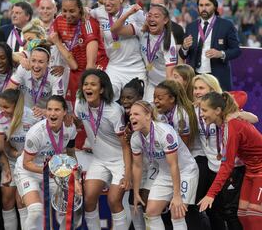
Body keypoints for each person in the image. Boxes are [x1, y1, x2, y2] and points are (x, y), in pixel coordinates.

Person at [74, 69, 131, 229]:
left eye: (93, 84)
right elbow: (80, 123)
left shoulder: (113, 110)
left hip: (120, 160)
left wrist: (127, 173)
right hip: (99, 160)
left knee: (113, 200)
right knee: (89, 198)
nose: (88, 88)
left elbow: (126, 145)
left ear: (102, 89)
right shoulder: (80, 104)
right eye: (85, 84)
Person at [130, 100, 199, 230]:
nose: (132, 117)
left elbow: (174, 165)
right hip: (165, 173)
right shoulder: (135, 138)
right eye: (131, 115)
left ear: (148, 115)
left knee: (176, 212)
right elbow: (137, 166)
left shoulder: (164, 133)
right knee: (151, 212)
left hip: (185, 171)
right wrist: (136, 192)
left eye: (136, 114)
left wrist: (177, 195)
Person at [198, 92, 262, 230]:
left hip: (260, 170)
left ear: (218, 110)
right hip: (251, 170)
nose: (201, 114)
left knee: (254, 216)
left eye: (204, 110)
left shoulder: (232, 126)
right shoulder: (225, 124)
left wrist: (210, 194)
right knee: (242, 215)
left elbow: (227, 166)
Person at [14, 95, 79, 230]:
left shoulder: (70, 129)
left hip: (53, 171)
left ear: (64, 112)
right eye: (49, 109)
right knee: (36, 210)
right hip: (29, 171)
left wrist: (75, 179)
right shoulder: (36, 133)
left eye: (57, 110)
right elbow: (27, 163)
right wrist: (48, 170)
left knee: (71, 208)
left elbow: (71, 154)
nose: (52, 113)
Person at [50, 0, 109, 107]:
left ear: (80, 9)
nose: (67, 15)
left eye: (72, 11)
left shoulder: (88, 24)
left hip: (95, 67)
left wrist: (85, 86)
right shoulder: (59, 21)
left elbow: (90, 65)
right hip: (75, 69)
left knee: (90, 104)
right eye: (64, 11)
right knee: (74, 109)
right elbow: (53, 41)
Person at [91, 0, 146, 100]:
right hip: (114, 67)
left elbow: (117, 29)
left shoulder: (135, 13)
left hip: (135, 68)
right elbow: (82, 13)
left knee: (139, 104)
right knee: (108, 100)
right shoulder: (98, 13)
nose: (107, 2)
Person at [0, 89, 38, 230]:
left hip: (29, 163)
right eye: (0, 106)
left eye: (6, 107)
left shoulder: (32, 116)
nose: (2, 110)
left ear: (17, 106)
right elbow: (1, 146)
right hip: (11, 161)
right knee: (7, 200)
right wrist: (13, 153)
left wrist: (25, 155)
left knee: (22, 201)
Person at [111, 3, 176, 101]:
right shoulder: (142, 30)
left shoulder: (168, 40)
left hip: (164, 85)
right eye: (149, 15)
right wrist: (129, 13)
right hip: (150, 83)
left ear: (165, 20)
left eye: (156, 16)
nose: (152, 19)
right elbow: (115, 29)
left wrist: (166, 92)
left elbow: (170, 73)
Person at [179, 0, 241, 91]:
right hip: (195, 77)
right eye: (201, 5)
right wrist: (185, 47)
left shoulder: (226, 25)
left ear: (215, 6)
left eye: (207, 5)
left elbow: (236, 50)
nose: (204, 8)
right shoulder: (191, 27)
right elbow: (183, 55)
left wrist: (221, 53)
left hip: (217, 78)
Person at [6, 42, 64, 118]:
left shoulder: (55, 75)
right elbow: (7, 93)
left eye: (41, 62)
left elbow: (58, 106)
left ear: (48, 62)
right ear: (29, 60)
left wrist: (45, 111)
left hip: (45, 115)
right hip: (23, 114)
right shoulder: (23, 68)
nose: (36, 66)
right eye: (33, 61)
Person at [119, 78, 147, 230]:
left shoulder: (149, 114)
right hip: (138, 166)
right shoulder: (123, 116)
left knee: (151, 209)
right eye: (123, 98)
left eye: (129, 98)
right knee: (133, 203)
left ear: (140, 98)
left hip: (153, 168)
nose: (125, 101)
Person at [154, 80, 198, 149]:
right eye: (154, 98)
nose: (155, 101)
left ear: (171, 99)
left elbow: (184, 146)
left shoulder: (181, 116)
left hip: (190, 154)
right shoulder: (160, 111)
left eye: (160, 98)